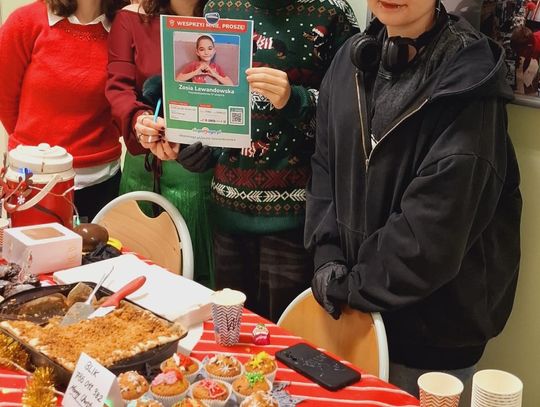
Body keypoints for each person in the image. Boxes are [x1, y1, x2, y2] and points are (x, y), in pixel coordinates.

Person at [305, 0, 522, 396]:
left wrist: (352, 286)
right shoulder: (349, 61)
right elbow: (324, 166)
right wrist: (327, 254)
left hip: (432, 337)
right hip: (351, 311)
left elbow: (436, 224)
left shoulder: (469, 81)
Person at [177, 0, 359, 321]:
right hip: (227, 214)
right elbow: (208, 101)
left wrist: (295, 99)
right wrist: (199, 150)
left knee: (288, 338)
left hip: (298, 221)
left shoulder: (332, 13)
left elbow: (353, 113)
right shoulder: (218, 7)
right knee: (230, 335)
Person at [106, 0, 215, 287]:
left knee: (197, 282)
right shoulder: (130, 20)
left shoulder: (225, 17)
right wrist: (139, 120)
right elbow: (119, 88)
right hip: (143, 167)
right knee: (135, 281)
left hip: (201, 172)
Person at [0, 0, 125, 221]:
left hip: (101, 181)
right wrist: (38, 151)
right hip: (33, 182)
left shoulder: (123, 29)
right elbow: (5, 98)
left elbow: (124, 102)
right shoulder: (25, 22)